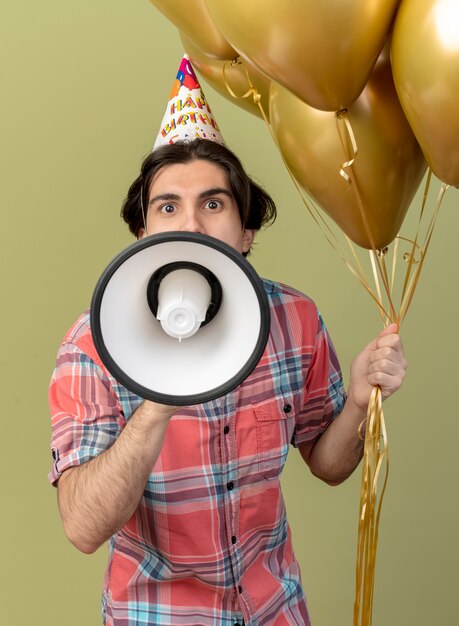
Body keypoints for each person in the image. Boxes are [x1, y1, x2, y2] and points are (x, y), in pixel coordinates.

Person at [49, 138, 407, 626]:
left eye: (213, 204)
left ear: (246, 233)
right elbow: (83, 528)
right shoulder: (91, 346)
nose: (192, 225)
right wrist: (158, 402)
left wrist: (360, 403)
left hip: (275, 609)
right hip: (156, 615)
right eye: (168, 206)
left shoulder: (294, 320)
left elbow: (330, 465)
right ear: (142, 234)